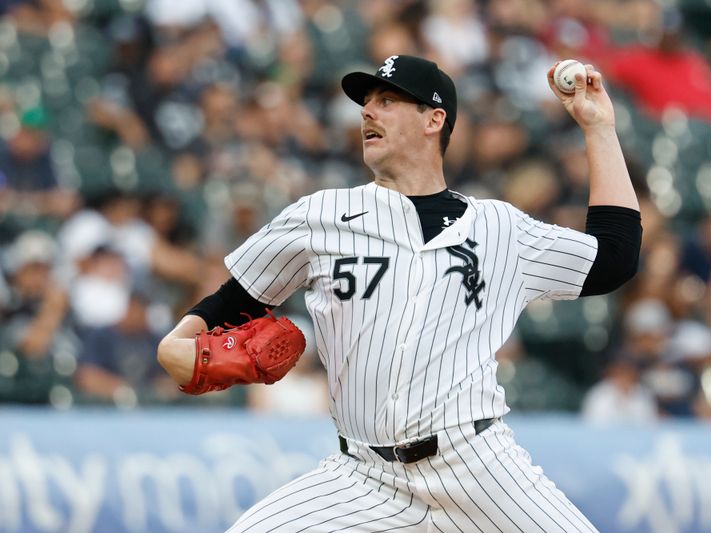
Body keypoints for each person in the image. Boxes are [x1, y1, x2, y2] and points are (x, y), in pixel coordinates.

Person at [157, 54, 641, 532]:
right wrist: (175, 343)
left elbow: (615, 257)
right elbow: (232, 301)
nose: (368, 111)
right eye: (366, 102)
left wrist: (598, 129)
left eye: (387, 100)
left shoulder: (500, 228)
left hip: (479, 467)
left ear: (435, 119)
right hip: (363, 478)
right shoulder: (321, 216)